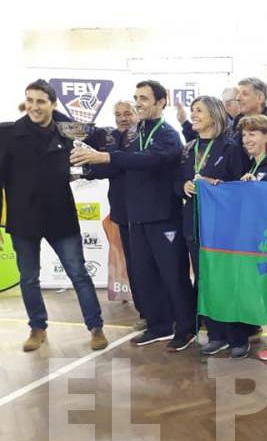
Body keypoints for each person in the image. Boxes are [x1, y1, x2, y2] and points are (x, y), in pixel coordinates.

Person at [71, 80, 197, 352]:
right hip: (135, 216)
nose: (138, 103)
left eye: (144, 98)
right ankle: (158, 325)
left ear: (161, 102)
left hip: (164, 217)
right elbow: (119, 165)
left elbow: (149, 160)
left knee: (173, 275)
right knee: (143, 275)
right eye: (136, 97)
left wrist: (106, 157)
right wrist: (84, 168)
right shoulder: (133, 133)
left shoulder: (168, 135)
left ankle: (186, 328)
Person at [0, 79, 107, 352]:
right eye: (30, 100)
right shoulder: (8, 133)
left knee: (79, 274)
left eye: (41, 101)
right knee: (29, 278)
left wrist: (58, 118)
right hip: (23, 219)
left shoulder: (66, 132)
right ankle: (37, 328)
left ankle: (95, 327)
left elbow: (95, 137)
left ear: (53, 104)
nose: (34, 107)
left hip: (61, 216)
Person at [177, 96, 252, 358]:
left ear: (214, 115)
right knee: (205, 282)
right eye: (193, 110)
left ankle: (239, 337)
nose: (193, 115)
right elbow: (177, 183)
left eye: (199, 111)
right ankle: (217, 334)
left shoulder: (230, 147)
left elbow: (239, 188)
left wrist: (214, 184)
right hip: (194, 225)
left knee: (227, 281)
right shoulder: (188, 148)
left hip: (223, 228)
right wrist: (184, 187)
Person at [85, 100, 146, 330]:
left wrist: (114, 160)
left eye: (128, 113)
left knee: (149, 265)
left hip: (148, 212)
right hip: (122, 211)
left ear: (137, 115)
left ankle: (165, 313)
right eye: (118, 114)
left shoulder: (143, 138)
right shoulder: (108, 139)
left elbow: (132, 165)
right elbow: (103, 169)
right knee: (133, 265)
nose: (123, 118)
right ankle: (145, 312)